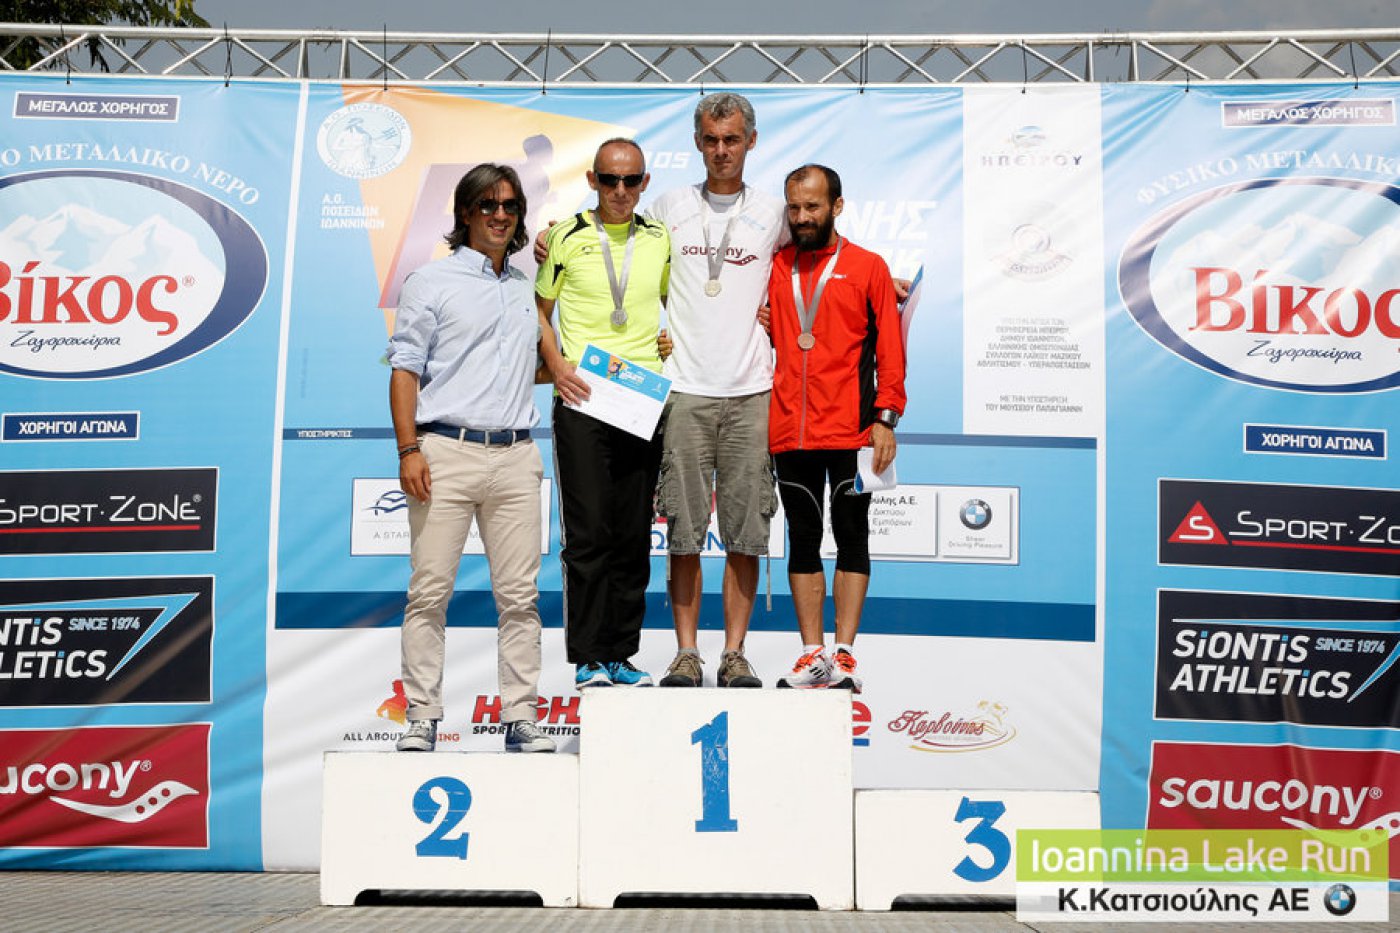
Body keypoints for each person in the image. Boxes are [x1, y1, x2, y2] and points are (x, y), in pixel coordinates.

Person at [387, 164, 555, 753]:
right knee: (429, 594)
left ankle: (521, 715)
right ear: (465, 212)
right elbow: (405, 369)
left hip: (516, 455)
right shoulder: (430, 281)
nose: (499, 215)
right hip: (444, 451)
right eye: (487, 205)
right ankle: (422, 716)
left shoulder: (525, 287)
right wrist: (409, 448)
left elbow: (532, 369)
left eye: (510, 205)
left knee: (521, 600)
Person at [648, 93, 789, 689]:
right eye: (711, 140)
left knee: (745, 534)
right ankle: (686, 653)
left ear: (751, 141)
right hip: (683, 390)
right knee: (682, 532)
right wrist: (551, 237)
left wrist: (885, 279)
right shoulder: (668, 206)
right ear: (697, 142)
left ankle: (734, 653)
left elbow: (818, 264)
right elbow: (620, 255)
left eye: (731, 139)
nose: (721, 151)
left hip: (752, 390)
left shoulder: (776, 212)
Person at [536, 138, 670, 690]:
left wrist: (669, 339)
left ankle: (622, 654)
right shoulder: (564, 237)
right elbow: (539, 312)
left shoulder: (659, 237)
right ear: (592, 180)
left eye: (631, 180)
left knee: (633, 534)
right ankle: (589, 656)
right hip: (584, 398)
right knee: (588, 533)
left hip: (641, 400)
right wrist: (556, 364)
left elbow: (678, 304)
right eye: (610, 180)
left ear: (644, 183)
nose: (620, 190)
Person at [767, 164, 907, 693]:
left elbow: (891, 350)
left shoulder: (868, 267)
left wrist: (886, 418)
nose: (802, 217)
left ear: (837, 206)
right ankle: (812, 655)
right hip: (791, 428)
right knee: (801, 538)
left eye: (813, 206)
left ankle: (844, 654)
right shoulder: (775, 264)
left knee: (852, 536)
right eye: (794, 208)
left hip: (852, 430)